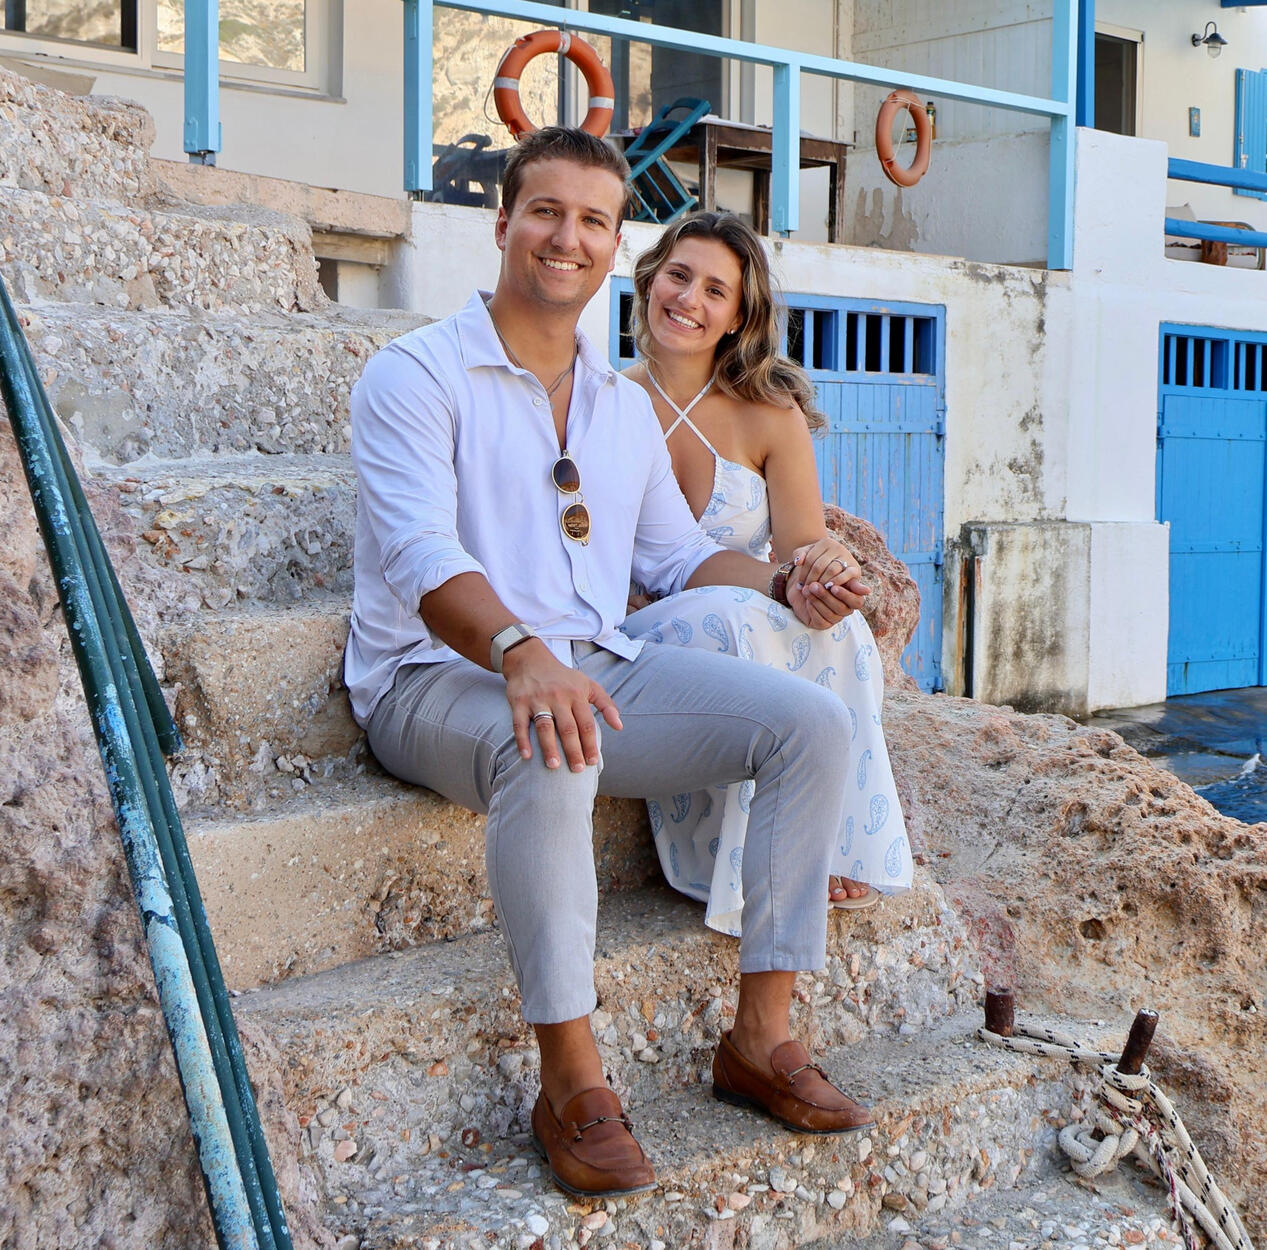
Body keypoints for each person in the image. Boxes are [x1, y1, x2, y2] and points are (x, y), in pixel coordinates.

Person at [345, 128, 879, 1200]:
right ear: (502, 224)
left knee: (808, 723)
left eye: (592, 219)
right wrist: (518, 650)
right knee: (552, 740)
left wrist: (782, 585)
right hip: (433, 677)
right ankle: (572, 1082)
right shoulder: (413, 374)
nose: (566, 237)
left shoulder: (618, 404)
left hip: (596, 658)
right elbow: (418, 554)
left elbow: (677, 556)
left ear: (611, 243)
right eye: (545, 211)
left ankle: (760, 1038)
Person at [620, 211, 913, 935]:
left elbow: (801, 546)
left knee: (843, 636)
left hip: (746, 595)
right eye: (679, 275)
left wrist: (824, 577)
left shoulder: (766, 412)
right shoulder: (604, 401)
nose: (689, 298)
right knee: (732, 620)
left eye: (715, 290)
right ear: (650, 279)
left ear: (737, 316)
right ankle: (747, 859)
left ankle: (831, 841)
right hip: (638, 620)